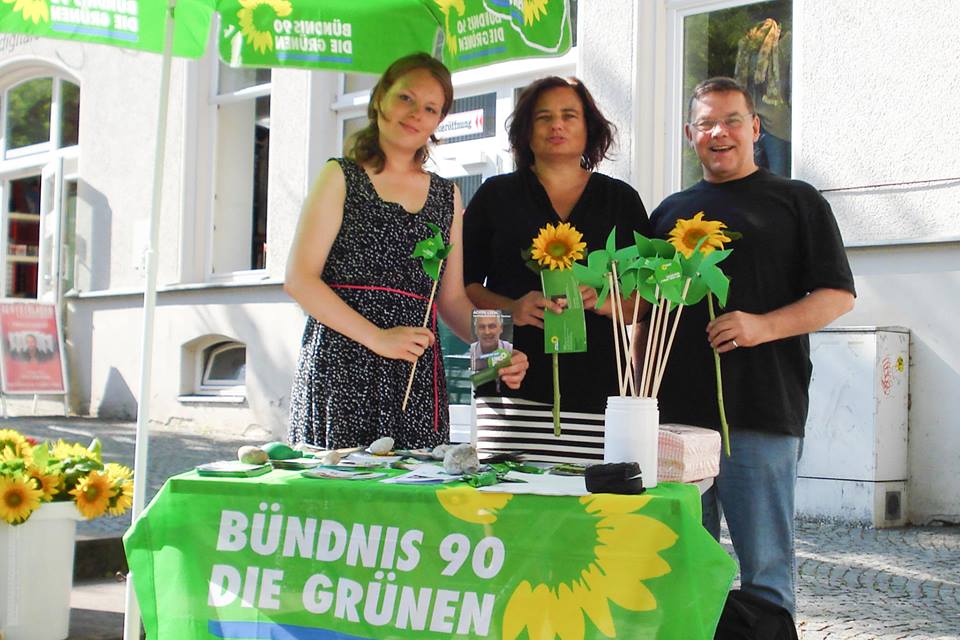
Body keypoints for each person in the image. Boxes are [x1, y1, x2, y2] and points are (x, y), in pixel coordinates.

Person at [650, 77, 856, 618]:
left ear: (755, 128)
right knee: (680, 568)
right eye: (706, 123)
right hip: (677, 422)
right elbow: (646, 307)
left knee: (765, 572)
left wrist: (762, 326)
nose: (719, 132)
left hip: (762, 413)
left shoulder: (797, 200)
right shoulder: (670, 213)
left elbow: (837, 297)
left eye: (732, 120)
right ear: (691, 134)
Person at [285, 53, 528, 451]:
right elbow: (299, 280)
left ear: (438, 122)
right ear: (380, 98)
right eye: (406, 98)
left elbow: (451, 299)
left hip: (414, 375)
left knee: (413, 503)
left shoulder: (445, 194)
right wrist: (379, 338)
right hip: (342, 367)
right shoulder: (339, 176)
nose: (416, 113)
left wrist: (498, 354)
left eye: (430, 108)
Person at [463, 76, 651, 463]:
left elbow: (643, 303)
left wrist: (602, 300)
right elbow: (463, 287)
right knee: (500, 509)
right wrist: (511, 308)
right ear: (526, 133)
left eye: (569, 115)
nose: (557, 125)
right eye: (543, 117)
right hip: (504, 376)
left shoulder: (621, 200)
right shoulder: (495, 195)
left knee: (593, 511)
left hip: (600, 385)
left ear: (589, 129)